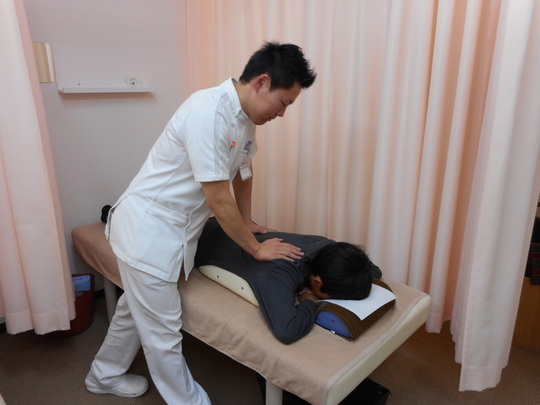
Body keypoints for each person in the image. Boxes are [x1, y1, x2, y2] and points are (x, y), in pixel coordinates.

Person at [85, 42, 317, 404]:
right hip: (148, 233)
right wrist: (256, 250)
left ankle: (103, 374)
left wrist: (247, 222)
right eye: (284, 102)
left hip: (172, 232)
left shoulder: (245, 119)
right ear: (262, 82)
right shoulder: (207, 112)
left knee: (134, 312)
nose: (283, 113)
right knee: (163, 333)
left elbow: (243, 171)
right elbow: (218, 198)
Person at [195, 217, 383, 344]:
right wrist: (309, 302)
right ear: (317, 282)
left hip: (221, 224)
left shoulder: (325, 246)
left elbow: (375, 271)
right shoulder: (278, 273)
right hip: (196, 241)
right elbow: (287, 331)